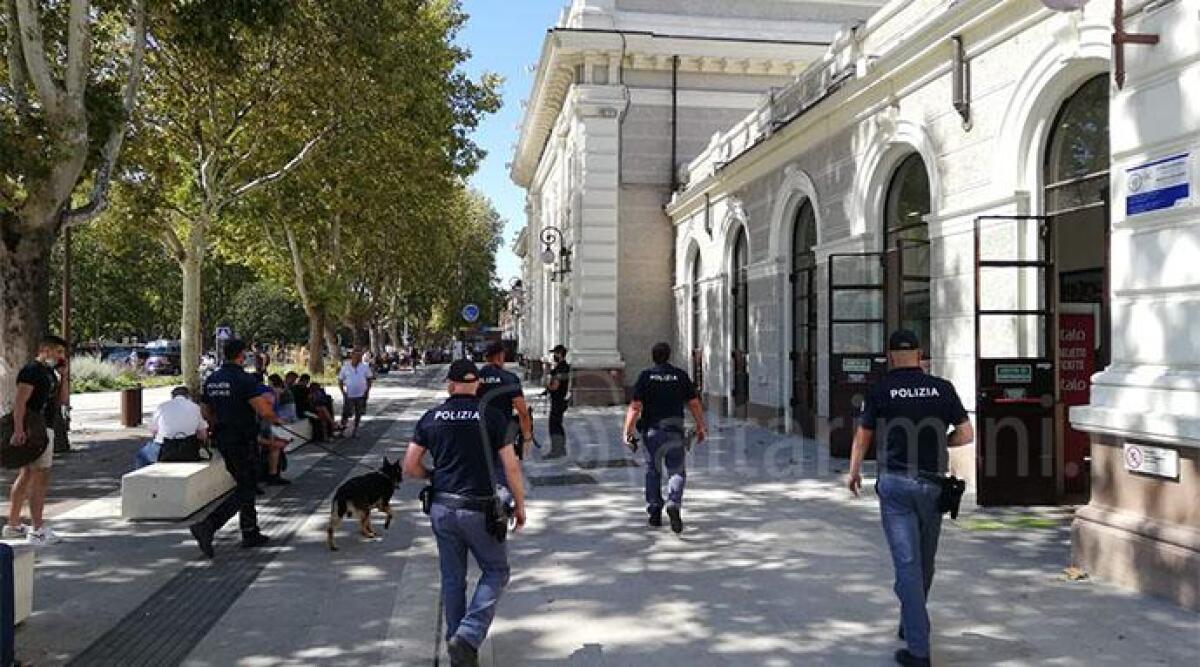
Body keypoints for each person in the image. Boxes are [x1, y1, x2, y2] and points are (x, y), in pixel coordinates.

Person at [846, 330, 974, 667]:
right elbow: (966, 433)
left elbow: (863, 436)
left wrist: (854, 471)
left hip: (896, 486)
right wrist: (937, 444)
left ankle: (918, 651)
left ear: (890, 356)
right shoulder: (942, 388)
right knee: (925, 562)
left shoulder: (881, 390)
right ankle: (911, 620)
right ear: (920, 354)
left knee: (907, 565)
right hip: (933, 486)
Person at [403, 360, 526, 667]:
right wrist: (520, 505)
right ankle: (469, 636)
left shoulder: (431, 418)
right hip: (481, 510)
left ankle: (455, 643)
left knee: (453, 578)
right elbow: (510, 467)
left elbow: (409, 466)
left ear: (450, 384)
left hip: (443, 508)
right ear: (478, 386)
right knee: (496, 571)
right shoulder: (493, 417)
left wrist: (433, 475)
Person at [190, 339, 281, 557]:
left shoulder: (212, 379)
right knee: (247, 487)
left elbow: (205, 410)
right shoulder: (244, 379)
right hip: (243, 439)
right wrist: (275, 419)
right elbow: (262, 410)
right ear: (241, 355)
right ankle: (208, 526)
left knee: (245, 483)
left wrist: (218, 424)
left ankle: (250, 531)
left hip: (223, 439)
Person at [622, 342, 708, 534]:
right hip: (675, 431)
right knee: (677, 471)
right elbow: (694, 403)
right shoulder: (680, 376)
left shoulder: (646, 377)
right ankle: (674, 503)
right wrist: (701, 426)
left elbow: (635, 406)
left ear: (653, 357)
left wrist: (627, 431)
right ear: (669, 356)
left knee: (653, 471)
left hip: (652, 432)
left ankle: (654, 510)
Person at [4, 335, 68, 545]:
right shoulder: (31, 370)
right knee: (40, 478)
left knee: (27, 474)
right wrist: (19, 429)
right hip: (35, 428)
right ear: (45, 350)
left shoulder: (50, 373)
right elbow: (21, 402)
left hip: (44, 426)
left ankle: (13, 525)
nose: (61, 357)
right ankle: (37, 529)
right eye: (58, 352)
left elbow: (62, 400)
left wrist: (63, 376)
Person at [135, 386, 209, 468]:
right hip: (188, 448)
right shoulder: (195, 407)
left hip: (163, 446)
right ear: (188, 396)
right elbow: (203, 434)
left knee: (141, 456)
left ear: (172, 396)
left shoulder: (162, 407)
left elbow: (153, 431)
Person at [338, 347, 374, 437]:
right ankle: (342, 430)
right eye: (356, 356)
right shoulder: (345, 367)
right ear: (352, 356)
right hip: (349, 394)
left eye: (360, 356)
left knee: (358, 413)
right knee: (346, 413)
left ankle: (355, 430)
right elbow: (340, 380)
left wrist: (367, 390)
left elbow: (369, 379)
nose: (358, 358)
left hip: (361, 394)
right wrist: (343, 392)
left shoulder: (365, 367)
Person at [544, 344, 570, 459]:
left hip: (558, 400)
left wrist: (547, 384)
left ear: (559, 354)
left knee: (554, 425)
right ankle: (561, 449)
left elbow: (555, 386)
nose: (553, 356)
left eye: (555, 353)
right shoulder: (564, 367)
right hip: (562, 399)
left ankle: (556, 450)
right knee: (558, 424)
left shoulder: (560, 369)